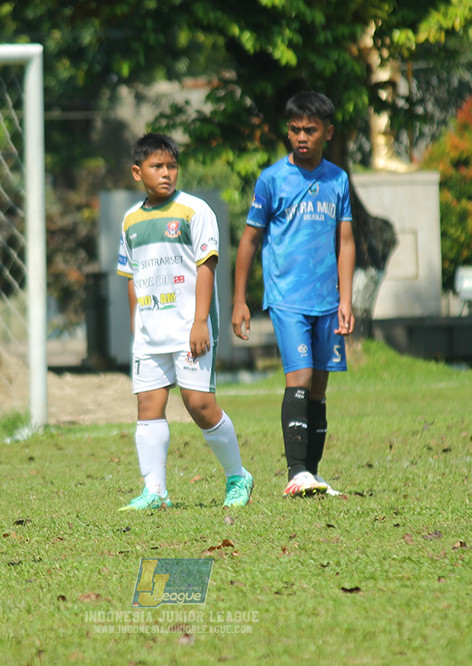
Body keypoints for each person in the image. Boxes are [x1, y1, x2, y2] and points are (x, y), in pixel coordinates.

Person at [116, 133, 254, 510]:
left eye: (171, 166)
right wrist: (135, 325)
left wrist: (198, 322)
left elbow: (206, 267)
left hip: (188, 328)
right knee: (148, 406)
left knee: (199, 405)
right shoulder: (129, 219)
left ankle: (237, 476)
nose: (166, 174)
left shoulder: (195, 211)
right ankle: (155, 491)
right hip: (149, 334)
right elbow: (131, 277)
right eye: (157, 167)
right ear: (137, 172)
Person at [231, 91, 355, 497]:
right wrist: (239, 300)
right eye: (295, 129)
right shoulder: (271, 180)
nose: (301, 137)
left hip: (327, 301)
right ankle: (295, 471)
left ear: (328, 133)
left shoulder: (338, 179)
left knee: (319, 388)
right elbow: (249, 240)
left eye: (311, 130)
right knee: (299, 379)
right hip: (286, 299)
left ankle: (311, 476)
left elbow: (347, 241)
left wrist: (346, 300)